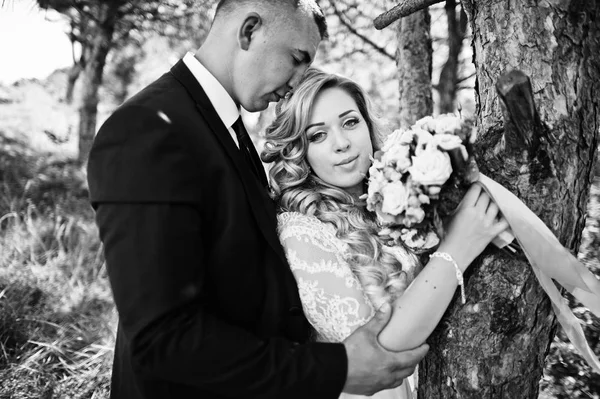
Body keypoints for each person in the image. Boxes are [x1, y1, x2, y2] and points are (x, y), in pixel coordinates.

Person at [87, 2, 429, 398]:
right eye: (297, 58)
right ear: (249, 31)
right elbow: (163, 338)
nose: (298, 79)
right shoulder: (149, 128)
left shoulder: (223, 127)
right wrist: (334, 368)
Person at [261, 68, 509, 398]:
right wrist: (459, 248)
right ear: (298, 150)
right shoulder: (301, 231)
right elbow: (375, 352)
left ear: (367, 124)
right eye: (317, 135)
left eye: (350, 122)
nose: (342, 143)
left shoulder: (399, 194)